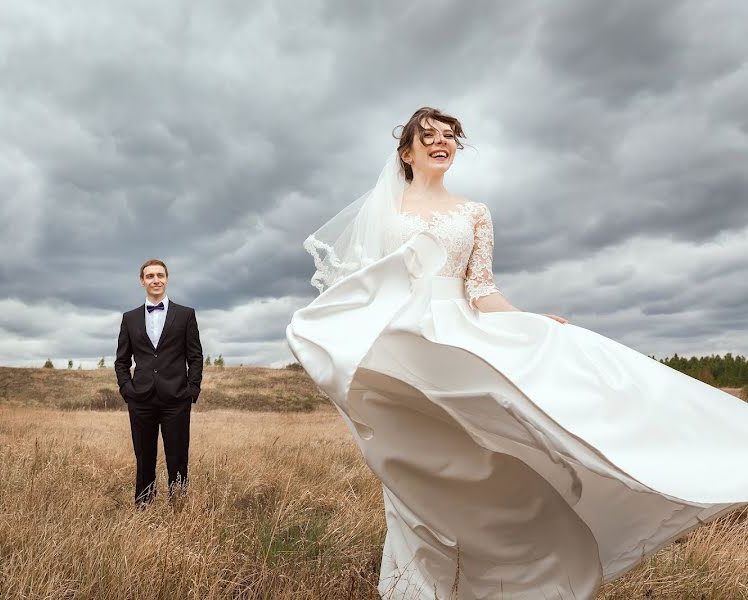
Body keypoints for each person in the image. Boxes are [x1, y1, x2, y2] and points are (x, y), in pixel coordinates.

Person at [286, 107, 748, 599]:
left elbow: (482, 289)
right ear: (407, 153)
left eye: (450, 137)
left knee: (484, 451)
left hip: (457, 339)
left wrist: (529, 321)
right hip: (403, 344)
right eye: (429, 137)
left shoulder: (474, 212)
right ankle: (422, 583)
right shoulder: (385, 211)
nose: (442, 143)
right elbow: (366, 287)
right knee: (421, 460)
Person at [115, 259, 203, 506]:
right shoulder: (129, 318)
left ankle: (179, 508)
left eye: (160, 275)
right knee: (144, 458)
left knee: (178, 458)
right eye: (150, 276)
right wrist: (127, 391)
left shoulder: (186, 315)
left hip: (176, 399)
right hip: (141, 400)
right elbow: (121, 361)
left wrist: (192, 390)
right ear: (142, 281)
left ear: (167, 279)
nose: (156, 280)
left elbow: (195, 356)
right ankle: (143, 508)